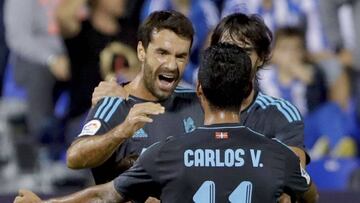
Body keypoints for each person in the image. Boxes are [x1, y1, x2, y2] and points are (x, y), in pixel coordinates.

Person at [14, 43, 310, 203]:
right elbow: (310, 194)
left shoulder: (164, 154)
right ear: (248, 91)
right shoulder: (278, 156)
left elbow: (103, 195)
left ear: (199, 92)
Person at [89, 13, 318, 202]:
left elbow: (295, 183)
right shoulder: (194, 97)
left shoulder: (279, 114)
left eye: (245, 51)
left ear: (261, 57)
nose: (234, 58)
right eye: (227, 48)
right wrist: (120, 94)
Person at [66, 10, 200, 184]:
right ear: (141, 52)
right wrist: (122, 131)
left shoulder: (197, 102)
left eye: (180, 56)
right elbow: (74, 157)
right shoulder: (116, 103)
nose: (172, 65)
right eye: (162, 53)